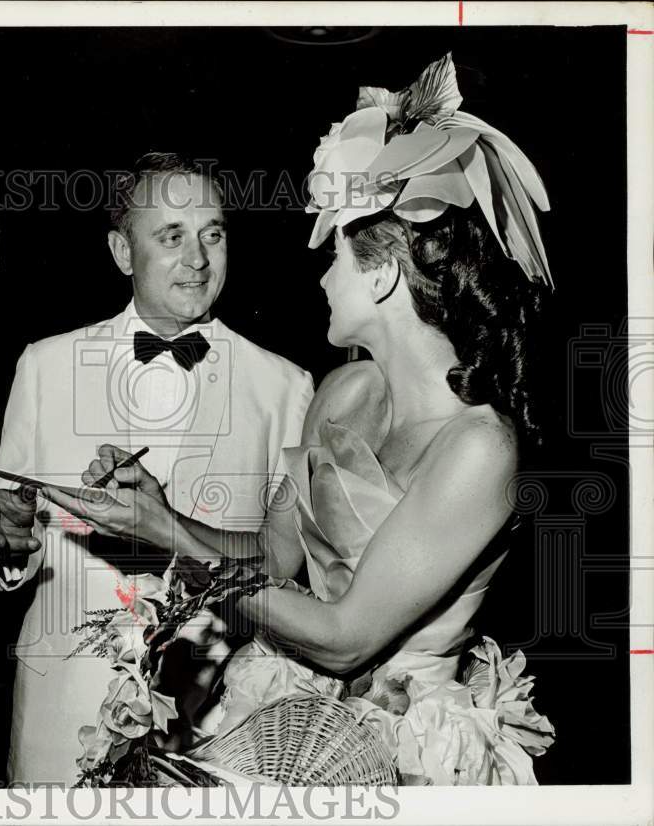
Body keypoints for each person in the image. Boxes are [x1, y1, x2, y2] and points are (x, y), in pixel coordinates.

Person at [44, 55, 556, 785]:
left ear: (381, 273)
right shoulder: (343, 391)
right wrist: (160, 511)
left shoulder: (478, 448)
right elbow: (272, 562)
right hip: (290, 714)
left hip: (403, 747)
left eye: (336, 257)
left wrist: (170, 538)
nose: (319, 277)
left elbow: (346, 638)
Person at [0, 152, 315, 784]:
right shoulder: (45, 365)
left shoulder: (286, 388)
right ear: (123, 252)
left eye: (213, 234)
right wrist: (4, 536)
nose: (199, 259)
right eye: (172, 236)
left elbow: (284, 569)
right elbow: (8, 523)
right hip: (60, 712)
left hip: (215, 726)